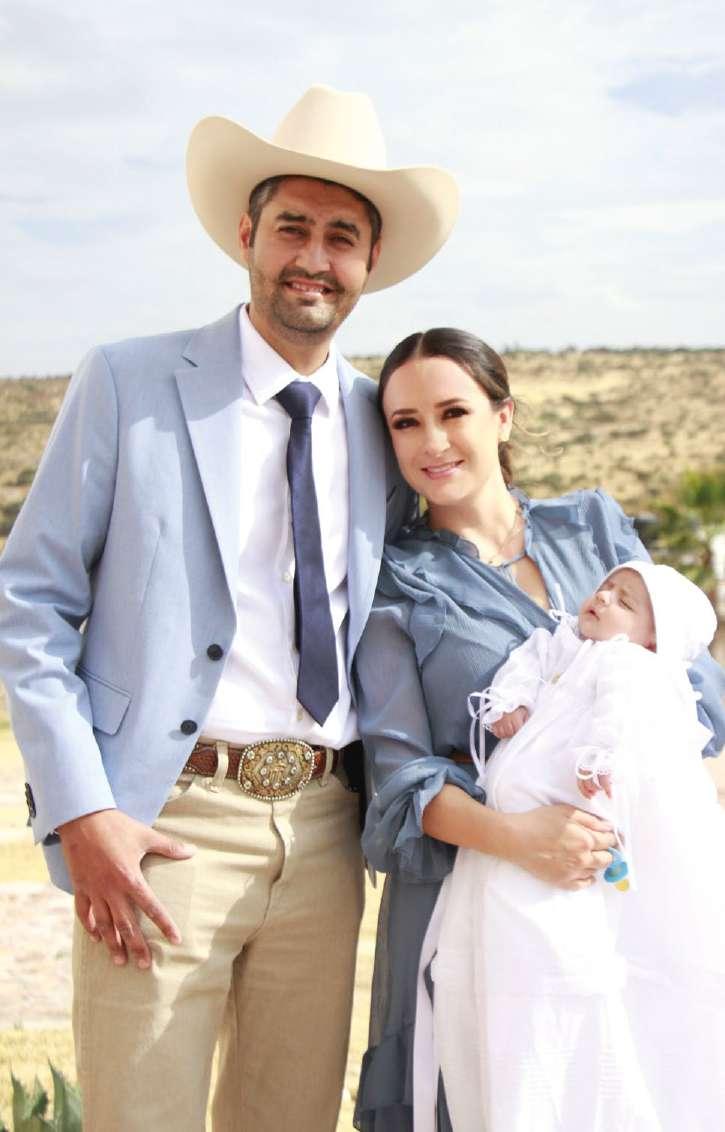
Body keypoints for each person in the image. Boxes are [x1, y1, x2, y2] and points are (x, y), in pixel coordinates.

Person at [0, 87, 458, 1132]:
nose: (313, 257)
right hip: (163, 821)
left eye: (341, 237)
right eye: (292, 227)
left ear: (370, 262)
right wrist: (84, 810)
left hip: (327, 828)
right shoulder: (128, 381)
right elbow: (29, 604)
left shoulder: (379, 420)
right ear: (245, 235)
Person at [351, 327, 725, 1131]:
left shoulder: (591, 526)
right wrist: (521, 836)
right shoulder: (392, 577)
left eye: (453, 411)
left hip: (630, 884)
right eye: (405, 422)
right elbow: (398, 778)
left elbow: (694, 689)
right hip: (478, 887)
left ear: (503, 416)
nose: (432, 441)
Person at [418, 560, 725, 1132]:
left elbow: (617, 717)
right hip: (510, 844)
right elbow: (524, 664)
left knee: (556, 980)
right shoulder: (559, 640)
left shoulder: (630, 667)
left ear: (653, 640)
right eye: (607, 587)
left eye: (625, 602)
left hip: (569, 829)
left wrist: (599, 757)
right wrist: (510, 703)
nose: (604, 598)